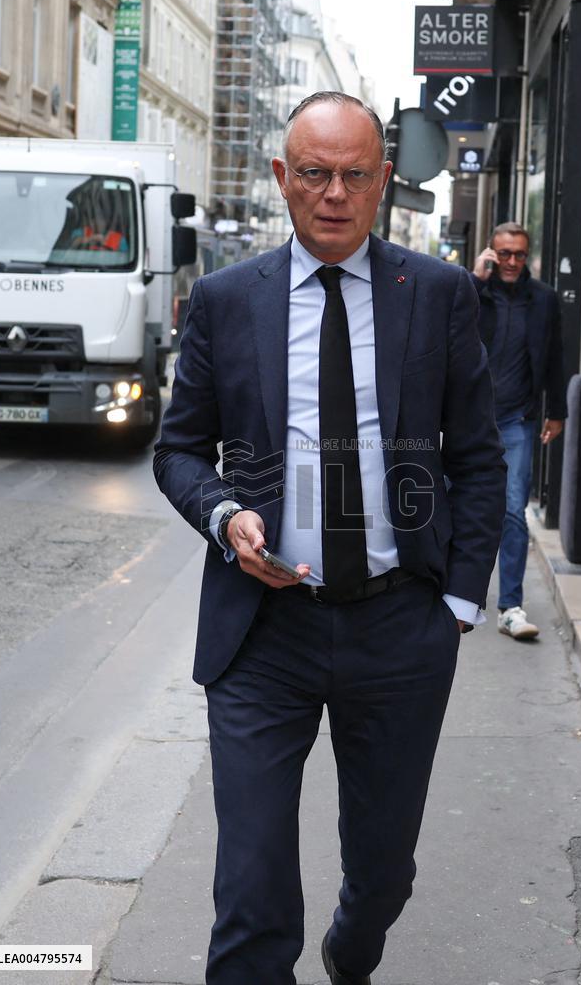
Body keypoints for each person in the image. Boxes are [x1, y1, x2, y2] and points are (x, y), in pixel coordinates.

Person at [154, 92, 506, 985]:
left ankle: (356, 944)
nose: (335, 194)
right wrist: (224, 516)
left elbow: (475, 455)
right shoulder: (229, 301)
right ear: (283, 178)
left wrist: (460, 603)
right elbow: (180, 448)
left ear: (384, 181)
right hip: (262, 631)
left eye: (356, 175)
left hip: (401, 627)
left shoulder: (437, 295)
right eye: (315, 173)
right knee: (252, 894)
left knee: (384, 872)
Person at [471, 222, 567, 641]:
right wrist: (476, 281)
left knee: (513, 513)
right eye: (504, 253)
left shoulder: (542, 299)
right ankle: (464, 596)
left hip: (517, 421)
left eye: (519, 255)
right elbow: (447, 333)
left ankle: (510, 606)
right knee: (464, 510)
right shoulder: (473, 291)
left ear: (528, 256)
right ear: (491, 252)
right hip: (467, 422)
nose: (511, 262)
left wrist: (557, 410)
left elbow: (555, 355)